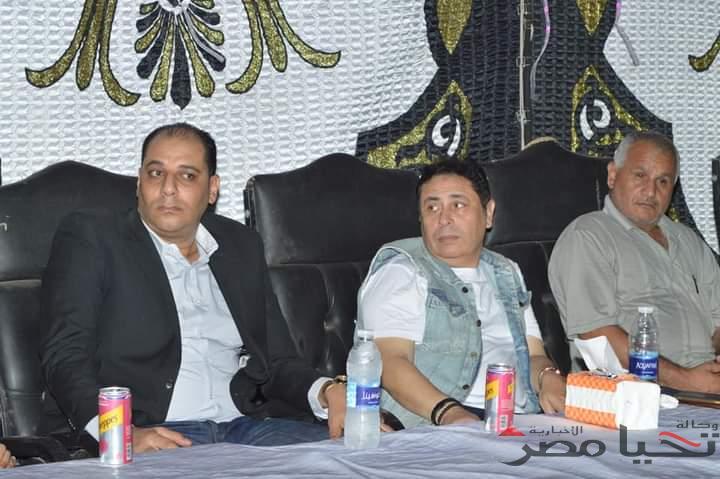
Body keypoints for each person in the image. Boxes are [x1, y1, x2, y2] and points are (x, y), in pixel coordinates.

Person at [40, 123, 346, 453]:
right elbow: (65, 357)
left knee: (355, 454)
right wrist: (120, 433)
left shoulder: (240, 245)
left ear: (212, 189)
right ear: (139, 182)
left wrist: (327, 390)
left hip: (246, 426)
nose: (168, 188)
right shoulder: (93, 238)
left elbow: (275, 359)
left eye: (187, 176)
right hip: (155, 431)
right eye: (156, 173)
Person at [357, 160, 566, 429]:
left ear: (488, 213)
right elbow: (389, 361)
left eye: (458, 205)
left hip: (516, 418)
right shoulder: (402, 271)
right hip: (437, 421)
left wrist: (548, 376)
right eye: (432, 208)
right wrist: (450, 413)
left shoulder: (506, 271)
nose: (444, 219)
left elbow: (533, 355)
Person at [549, 131, 720, 393]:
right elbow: (597, 335)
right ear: (613, 175)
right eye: (640, 175)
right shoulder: (588, 236)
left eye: (663, 181)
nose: (651, 191)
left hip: (705, 386)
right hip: (638, 390)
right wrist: (688, 381)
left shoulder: (688, 241)